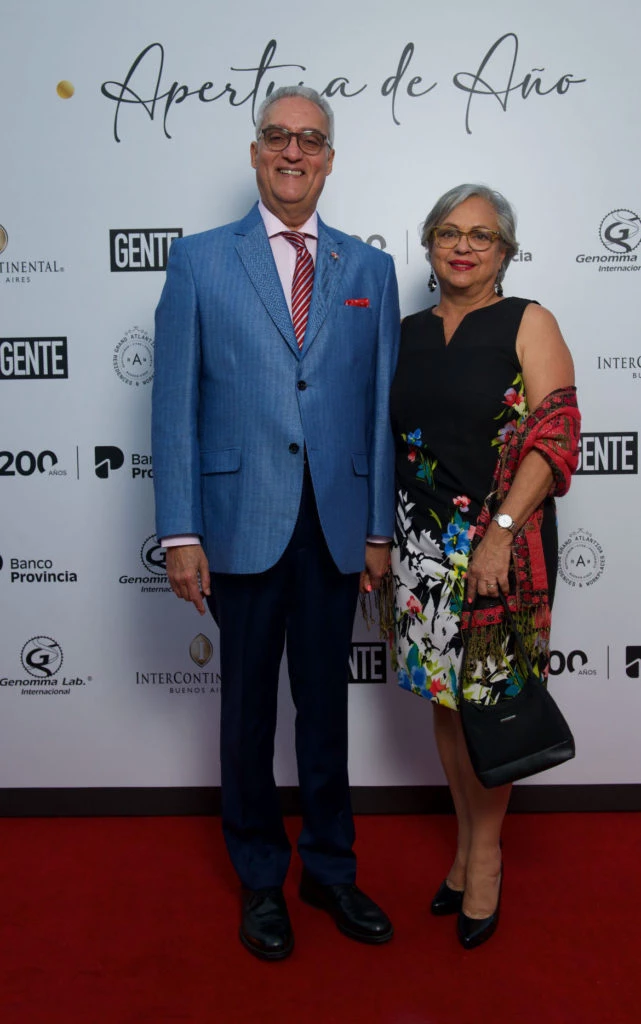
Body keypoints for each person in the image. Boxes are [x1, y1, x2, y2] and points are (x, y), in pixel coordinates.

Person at [152, 86, 400, 961]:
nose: (293, 152)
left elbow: (378, 411)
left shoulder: (368, 271)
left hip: (335, 524)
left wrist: (378, 530)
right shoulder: (198, 261)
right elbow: (173, 405)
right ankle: (260, 879)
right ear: (256, 152)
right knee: (248, 713)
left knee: (325, 712)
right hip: (239, 523)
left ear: (329, 159)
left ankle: (329, 870)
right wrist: (180, 533)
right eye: (277, 136)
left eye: (310, 140)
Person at [389, 184, 580, 949]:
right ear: (429, 244)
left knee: (488, 704)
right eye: (447, 232)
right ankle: (465, 848)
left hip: (501, 550)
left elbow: (555, 433)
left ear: (504, 251)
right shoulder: (404, 332)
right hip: (420, 549)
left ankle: (487, 859)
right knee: (446, 703)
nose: (462, 246)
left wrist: (498, 532)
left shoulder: (528, 321)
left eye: (480, 235)